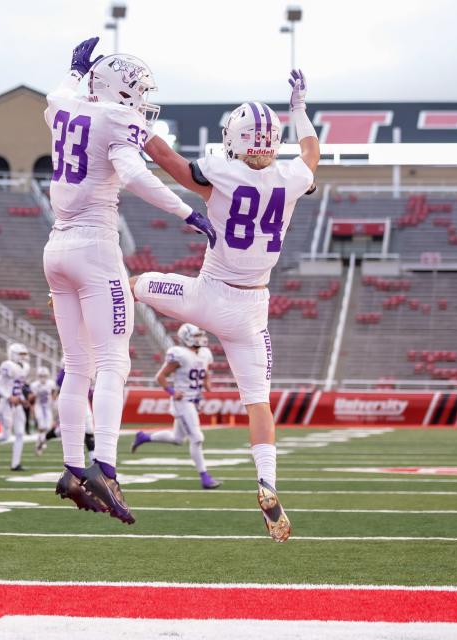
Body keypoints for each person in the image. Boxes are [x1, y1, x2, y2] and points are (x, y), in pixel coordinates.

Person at [132, 70, 320, 542]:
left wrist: (132, 120)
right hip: (252, 312)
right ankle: (266, 483)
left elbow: (167, 161)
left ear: (233, 139)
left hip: (207, 296)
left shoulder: (221, 169)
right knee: (259, 404)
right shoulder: (293, 177)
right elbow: (311, 155)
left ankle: (68, 299)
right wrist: (299, 109)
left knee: (133, 283)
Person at [42, 37, 216, 524]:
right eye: (137, 89)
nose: (142, 98)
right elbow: (136, 177)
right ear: (121, 89)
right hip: (95, 247)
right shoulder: (117, 119)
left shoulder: (62, 106)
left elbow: (59, 93)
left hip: (55, 248)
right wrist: (188, 213)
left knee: (77, 365)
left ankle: (72, 467)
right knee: (114, 362)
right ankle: (106, 468)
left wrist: (74, 70)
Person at [131, 324, 219, 489]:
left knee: (177, 439)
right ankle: (205, 478)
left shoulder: (205, 353)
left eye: (201, 334)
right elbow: (161, 377)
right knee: (197, 438)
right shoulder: (180, 354)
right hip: (183, 401)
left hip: (194, 400)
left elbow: (205, 371)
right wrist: (172, 392)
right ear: (186, 337)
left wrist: (207, 383)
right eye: (196, 335)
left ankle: (144, 437)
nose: (200, 338)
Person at [30, 366, 57, 454]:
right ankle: (40, 444)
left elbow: (53, 394)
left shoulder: (50, 383)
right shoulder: (34, 385)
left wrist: (54, 403)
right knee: (41, 426)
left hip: (48, 407)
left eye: (44, 376)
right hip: (39, 406)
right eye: (41, 376)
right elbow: (32, 399)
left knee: (48, 427)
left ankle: (40, 441)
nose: (43, 378)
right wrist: (32, 408)